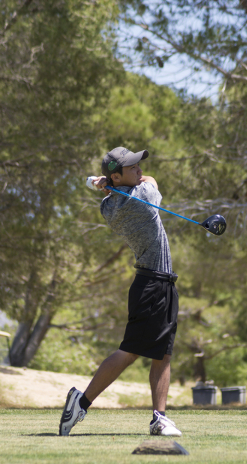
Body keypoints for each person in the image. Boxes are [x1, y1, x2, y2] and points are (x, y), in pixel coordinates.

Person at [59, 146, 181, 437]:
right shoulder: (142, 197)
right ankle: (82, 401)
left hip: (158, 282)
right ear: (116, 175)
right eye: (133, 167)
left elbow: (122, 188)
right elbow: (151, 181)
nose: (140, 170)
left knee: (162, 354)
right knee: (129, 352)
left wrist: (107, 185)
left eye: (139, 165)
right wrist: (109, 184)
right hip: (152, 285)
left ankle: (159, 418)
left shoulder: (108, 206)